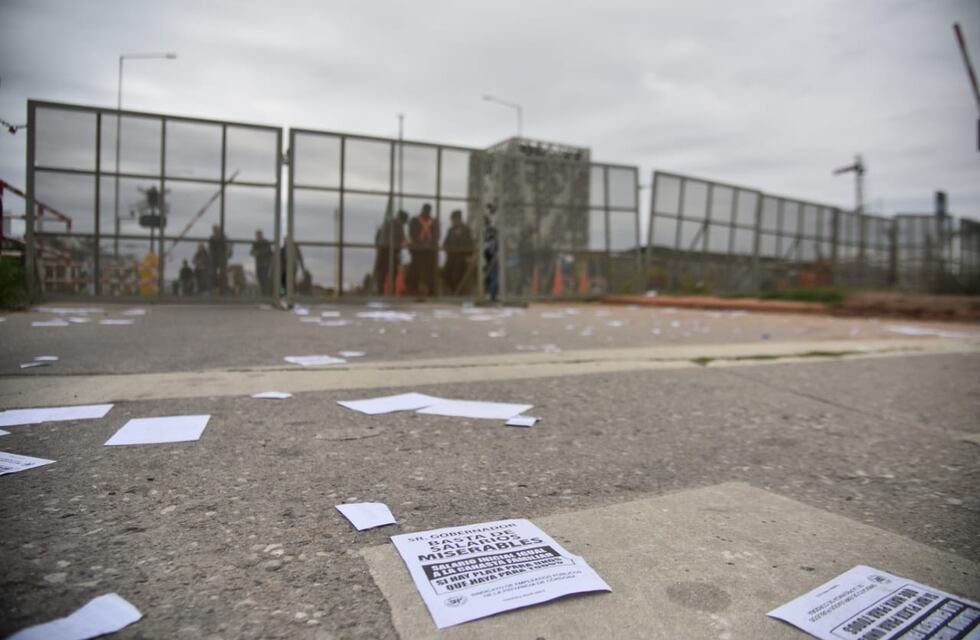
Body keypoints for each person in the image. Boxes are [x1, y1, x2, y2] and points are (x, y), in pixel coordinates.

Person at [373, 210, 408, 295]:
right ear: (402, 219)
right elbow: (402, 239)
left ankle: (380, 291)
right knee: (392, 273)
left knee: (382, 273)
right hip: (392, 252)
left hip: (383, 250)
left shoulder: (387, 223)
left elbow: (378, 237)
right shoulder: (398, 224)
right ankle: (391, 292)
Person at [408, 203, 439, 296]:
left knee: (429, 270)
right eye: (425, 210)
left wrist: (430, 243)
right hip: (418, 250)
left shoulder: (434, 221)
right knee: (415, 269)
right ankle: (413, 288)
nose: (427, 212)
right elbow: (412, 233)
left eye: (428, 211)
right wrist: (420, 243)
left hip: (430, 250)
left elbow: (437, 234)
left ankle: (430, 289)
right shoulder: (415, 220)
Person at [442, 209, 474, 295]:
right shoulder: (451, 230)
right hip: (452, 256)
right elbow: (445, 243)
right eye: (452, 219)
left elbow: (470, 243)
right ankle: (453, 291)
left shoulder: (466, 229)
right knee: (446, 274)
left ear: (458, 219)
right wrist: (448, 251)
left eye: (454, 219)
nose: (453, 221)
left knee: (457, 276)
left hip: (462, 257)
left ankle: (458, 293)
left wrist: (469, 256)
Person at [208, 224, 232, 294]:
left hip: (222, 258)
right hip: (214, 259)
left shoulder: (224, 237)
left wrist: (227, 254)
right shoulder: (212, 238)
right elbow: (210, 248)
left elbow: (228, 247)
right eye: (214, 230)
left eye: (216, 230)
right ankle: (212, 289)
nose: (214, 231)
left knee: (223, 274)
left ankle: (224, 289)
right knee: (212, 274)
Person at [483, 205, 499, 303]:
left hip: (492, 252)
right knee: (490, 274)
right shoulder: (487, 230)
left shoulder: (492, 228)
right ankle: (490, 295)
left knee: (493, 274)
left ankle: (492, 295)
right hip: (488, 253)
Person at [250, 229, 273, 296]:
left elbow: (269, 251)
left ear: (261, 235)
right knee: (260, 278)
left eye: (259, 235)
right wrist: (256, 252)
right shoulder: (255, 243)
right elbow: (251, 252)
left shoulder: (266, 242)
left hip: (265, 263)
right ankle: (264, 293)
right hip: (258, 263)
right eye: (257, 235)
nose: (258, 237)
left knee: (264, 278)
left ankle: (266, 293)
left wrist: (259, 252)